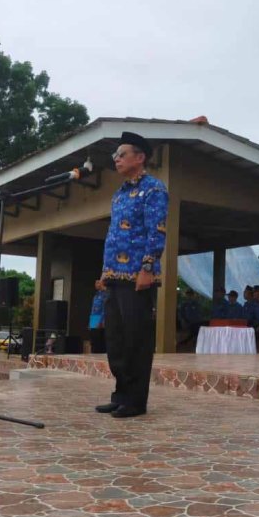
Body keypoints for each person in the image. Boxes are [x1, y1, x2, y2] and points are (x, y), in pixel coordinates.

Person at [96, 132, 169, 418]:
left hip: (138, 276)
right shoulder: (120, 193)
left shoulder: (154, 190)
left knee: (136, 340)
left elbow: (157, 230)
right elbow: (112, 236)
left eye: (122, 154)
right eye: (115, 155)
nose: (116, 158)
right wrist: (104, 273)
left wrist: (148, 267)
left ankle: (136, 401)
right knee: (115, 340)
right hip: (114, 277)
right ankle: (121, 394)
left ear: (139, 157)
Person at [89, 280, 108, 354]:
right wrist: (90, 321)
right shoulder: (96, 295)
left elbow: (104, 308)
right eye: (95, 283)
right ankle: (94, 353)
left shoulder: (105, 294)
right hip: (94, 318)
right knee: (93, 338)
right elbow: (92, 309)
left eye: (98, 282)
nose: (96, 284)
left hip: (100, 318)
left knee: (99, 338)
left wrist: (101, 321)